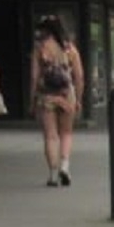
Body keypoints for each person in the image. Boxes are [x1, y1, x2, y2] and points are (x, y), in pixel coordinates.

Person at [30, 15, 82, 186]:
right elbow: (79, 77)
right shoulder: (70, 49)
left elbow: (34, 77)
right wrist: (78, 99)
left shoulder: (40, 49)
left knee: (50, 136)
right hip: (67, 95)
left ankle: (52, 174)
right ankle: (65, 167)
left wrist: (32, 100)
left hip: (47, 95)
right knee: (66, 133)